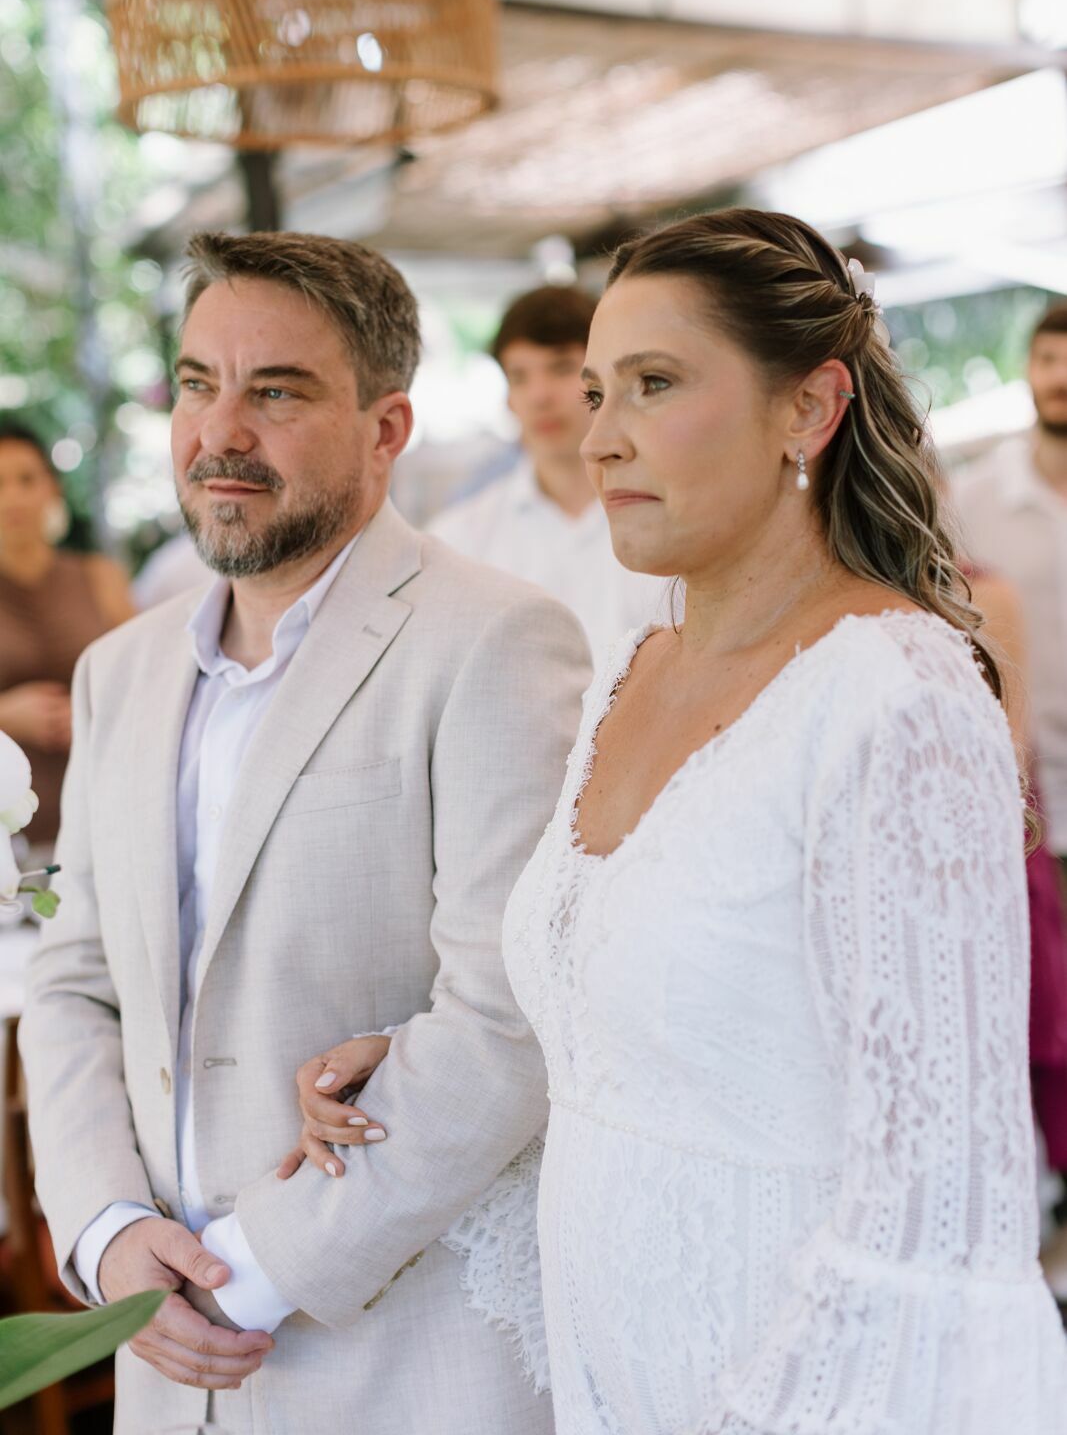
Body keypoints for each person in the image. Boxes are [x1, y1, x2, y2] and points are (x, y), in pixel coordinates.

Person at [298, 210, 1067, 1432]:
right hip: (617, 1357)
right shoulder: (628, 664)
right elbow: (665, 993)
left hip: (804, 1384)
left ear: (807, 409)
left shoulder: (895, 695)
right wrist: (420, 1053)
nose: (600, 437)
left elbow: (938, 1199)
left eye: (652, 385)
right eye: (595, 391)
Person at [19, 231, 590, 1435]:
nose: (219, 430)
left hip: (400, 1358)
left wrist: (259, 1270)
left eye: (275, 392)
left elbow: (510, 1013)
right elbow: (74, 980)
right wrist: (111, 1231)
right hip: (161, 1363)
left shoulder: (497, 639)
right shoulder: (117, 671)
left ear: (387, 430)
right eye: (194, 382)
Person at [428, 285, 664, 661]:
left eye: (561, 368)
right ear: (507, 396)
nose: (539, 395)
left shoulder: (669, 519)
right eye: (519, 376)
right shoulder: (458, 540)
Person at [952, 305, 1067, 868]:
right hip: (1022, 798)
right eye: (1048, 359)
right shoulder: (972, 501)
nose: (1059, 376)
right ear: (1027, 368)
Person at [0, 421, 132, 852]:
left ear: (52, 488)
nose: (14, 496)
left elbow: (152, 681)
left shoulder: (100, 577)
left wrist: (97, 712)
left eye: (26, 479)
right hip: (10, 838)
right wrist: (5, 716)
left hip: (105, 817)